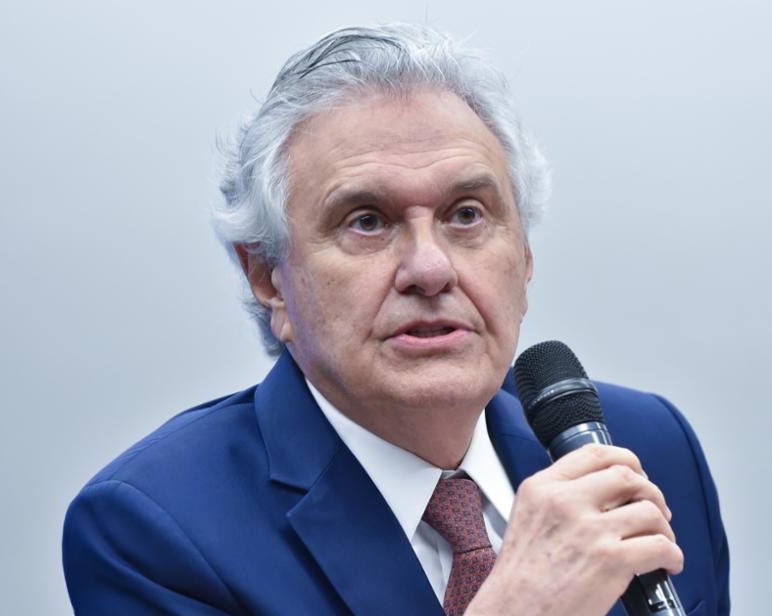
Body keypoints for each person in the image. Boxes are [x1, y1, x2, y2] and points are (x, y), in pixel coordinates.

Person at [62, 23, 729, 615]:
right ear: (268, 278)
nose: (430, 269)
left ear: (525, 256)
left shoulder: (642, 444)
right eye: (367, 222)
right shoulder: (154, 528)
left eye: (466, 214)